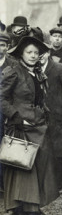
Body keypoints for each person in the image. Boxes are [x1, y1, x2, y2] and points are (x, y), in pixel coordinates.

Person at [0, 36, 59, 215]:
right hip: (21, 125)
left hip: (38, 124)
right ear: (21, 54)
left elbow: (40, 99)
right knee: (22, 167)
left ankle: (34, 207)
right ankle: (20, 209)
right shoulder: (13, 71)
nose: (33, 56)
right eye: (29, 52)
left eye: (36, 52)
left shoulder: (39, 73)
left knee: (38, 164)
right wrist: (16, 117)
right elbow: (1, 98)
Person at [40, 51, 62, 190]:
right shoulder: (33, 68)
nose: (39, 55)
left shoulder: (59, 68)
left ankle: (60, 183)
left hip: (58, 115)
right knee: (45, 147)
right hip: (41, 115)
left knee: (58, 149)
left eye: (42, 52)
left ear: (48, 52)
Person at [0, 33, 17, 192]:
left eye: (3, 45)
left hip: (5, 113)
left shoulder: (12, 65)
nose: (0, 48)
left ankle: (4, 185)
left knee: (6, 147)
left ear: (7, 47)